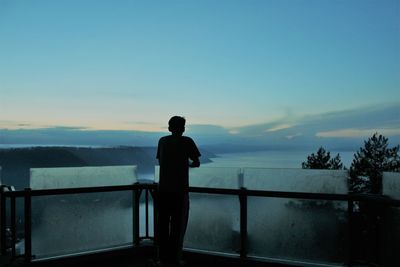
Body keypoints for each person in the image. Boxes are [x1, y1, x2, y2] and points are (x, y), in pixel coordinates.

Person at [156, 116, 201, 266]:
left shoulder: (162, 141)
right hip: (179, 191)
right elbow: (196, 162)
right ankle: (175, 259)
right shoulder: (187, 141)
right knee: (178, 225)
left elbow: (160, 161)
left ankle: (162, 258)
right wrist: (185, 164)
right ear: (183, 128)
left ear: (169, 128)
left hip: (162, 190)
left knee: (162, 225)